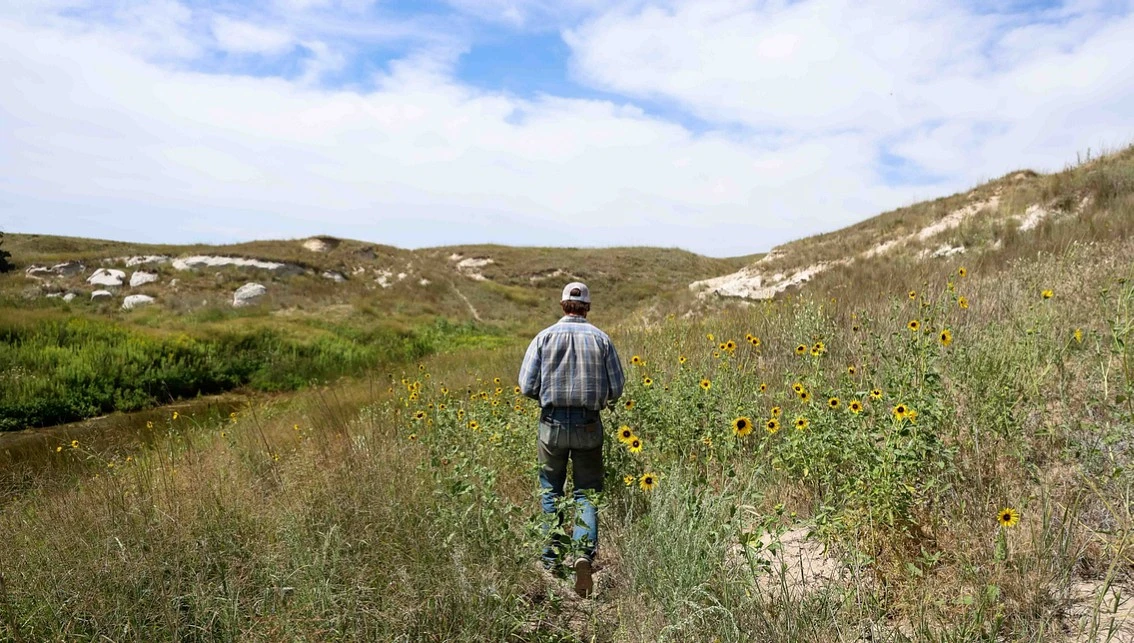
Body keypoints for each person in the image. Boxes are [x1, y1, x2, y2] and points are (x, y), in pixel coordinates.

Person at [518, 281, 625, 597]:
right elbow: (617, 388)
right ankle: (583, 555)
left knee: (551, 488)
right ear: (587, 307)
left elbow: (526, 385)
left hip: (551, 424)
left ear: (563, 304)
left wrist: (548, 397)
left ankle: (550, 561)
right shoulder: (601, 340)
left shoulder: (544, 337)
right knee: (586, 491)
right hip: (588, 425)